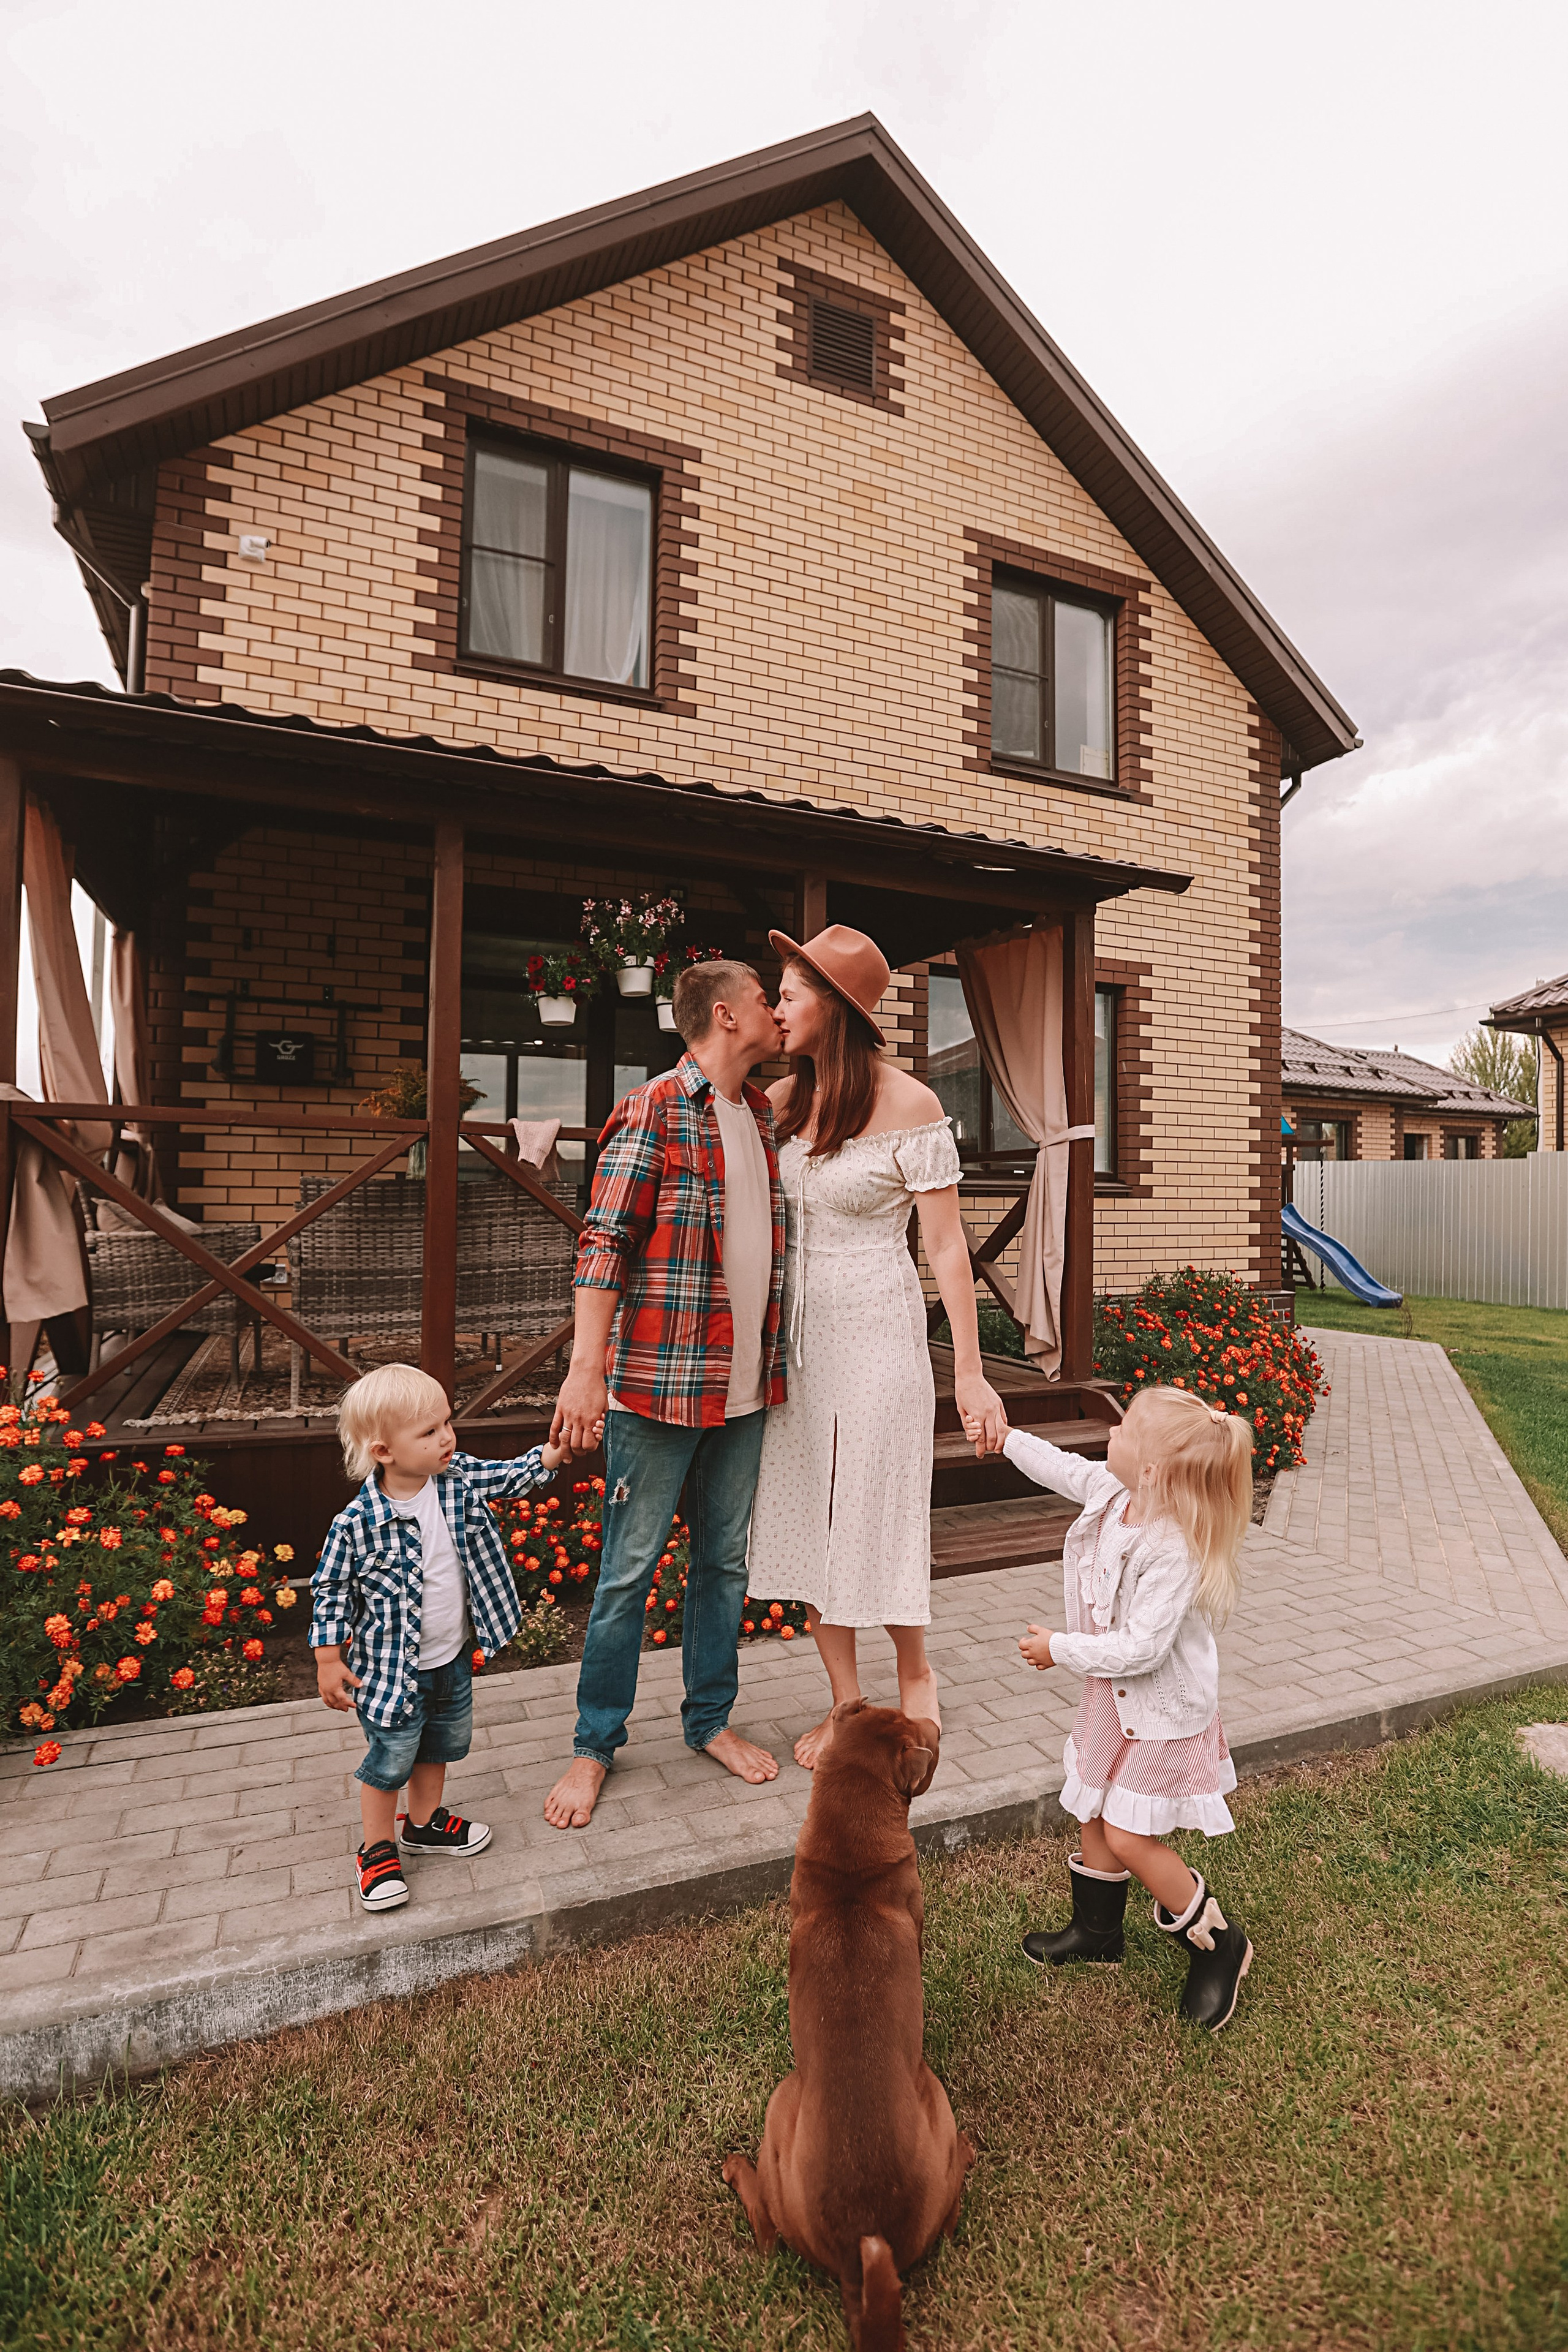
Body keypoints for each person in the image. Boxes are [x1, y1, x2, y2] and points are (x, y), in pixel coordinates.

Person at [746, 925, 1010, 1770]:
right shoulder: (783, 1103)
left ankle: (915, 1671)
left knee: (877, 1511)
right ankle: (847, 1703)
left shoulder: (913, 1106)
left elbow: (943, 1249)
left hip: (881, 1337)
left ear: (835, 1007)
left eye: (788, 995)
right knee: (812, 1519)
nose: (777, 1008)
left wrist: (969, 1373)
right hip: (801, 1343)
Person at [543, 957, 788, 1832]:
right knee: (628, 1573)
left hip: (747, 1390)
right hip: (657, 1387)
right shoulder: (653, 1108)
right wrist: (585, 1370)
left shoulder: (759, 1115)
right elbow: (603, 1244)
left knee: (724, 1566)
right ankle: (594, 1743)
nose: (779, 1010)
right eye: (768, 998)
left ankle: (708, 1721)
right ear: (726, 1016)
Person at [1005, 1384, 1254, 2031]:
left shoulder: (1170, 1545)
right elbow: (1065, 1468)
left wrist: (1058, 1647)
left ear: (1149, 1468)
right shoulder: (1117, 1495)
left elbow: (1143, 1650)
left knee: (1126, 1833)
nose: (1108, 1434)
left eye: (1123, 1430)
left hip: (1164, 1714)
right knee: (1093, 1803)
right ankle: (1097, 1934)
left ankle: (1219, 1944)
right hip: (1114, 1700)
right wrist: (1003, 1437)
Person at [312, 1363, 585, 1914]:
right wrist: (327, 1659)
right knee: (390, 1759)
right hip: (389, 1671)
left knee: (438, 1747)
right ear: (384, 1451)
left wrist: (553, 1455)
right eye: (429, 1432)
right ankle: (377, 1849)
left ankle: (424, 1825)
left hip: (451, 1658)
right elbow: (330, 1589)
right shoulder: (356, 1524)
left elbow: (510, 1477)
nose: (447, 1438)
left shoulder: (455, 1478)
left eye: (446, 1423)